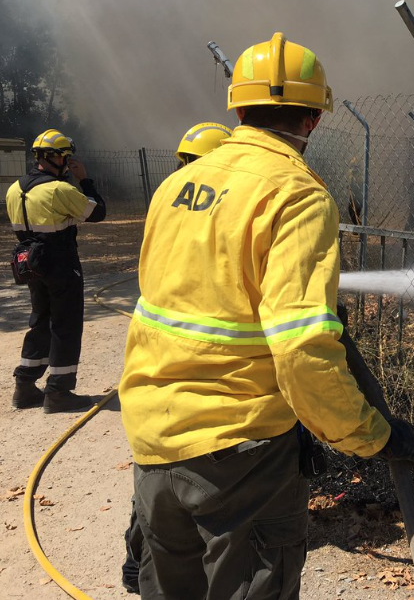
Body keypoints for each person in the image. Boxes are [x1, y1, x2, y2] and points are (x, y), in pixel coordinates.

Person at [119, 32, 414, 600]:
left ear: (237, 109)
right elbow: (301, 348)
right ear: (313, 119)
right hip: (243, 456)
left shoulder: (176, 185)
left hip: (153, 437)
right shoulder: (297, 196)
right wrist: (372, 436)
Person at [120, 120, 233, 595]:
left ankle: (137, 560)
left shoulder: (169, 198)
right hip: (208, 391)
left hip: (154, 379)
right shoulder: (231, 206)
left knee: (156, 495)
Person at [6, 129, 106, 413]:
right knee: (66, 325)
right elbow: (98, 212)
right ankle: (59, 393)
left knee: (40, 321)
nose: (68, 161)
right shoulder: (59, 190)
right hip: (61, 263)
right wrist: (84, 180)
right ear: (57, 158)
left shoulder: (14, 189)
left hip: (31, 263)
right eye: (66, 157)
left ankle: (25, 386)